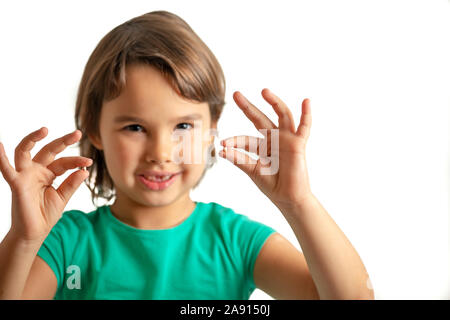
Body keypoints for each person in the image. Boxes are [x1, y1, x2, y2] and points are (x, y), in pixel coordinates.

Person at [0, 10, 374, 300]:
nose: (161, 153)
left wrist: (298, 202)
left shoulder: (235, 241)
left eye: (182, 127)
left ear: (212, 127)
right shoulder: (66, 244)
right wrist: (24, 239)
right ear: (95, 129)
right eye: (135, 127)